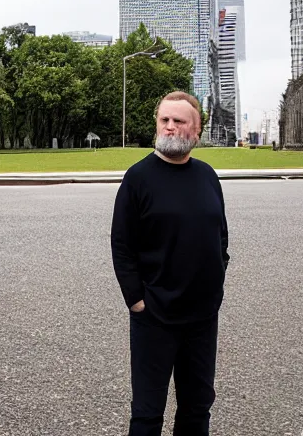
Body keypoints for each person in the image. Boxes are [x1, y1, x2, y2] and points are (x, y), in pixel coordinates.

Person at [111, 91, 230, 436]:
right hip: (154, 316)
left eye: (179, 121)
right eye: (164, 120)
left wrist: (216, 282)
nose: (170, 127)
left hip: (202, 316)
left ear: (196, 131)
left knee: (197, 409)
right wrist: (136, 300)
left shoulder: (207, 176)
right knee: (147, 414)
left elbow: (220, 236)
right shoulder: (138, 178)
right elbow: (122, 245)